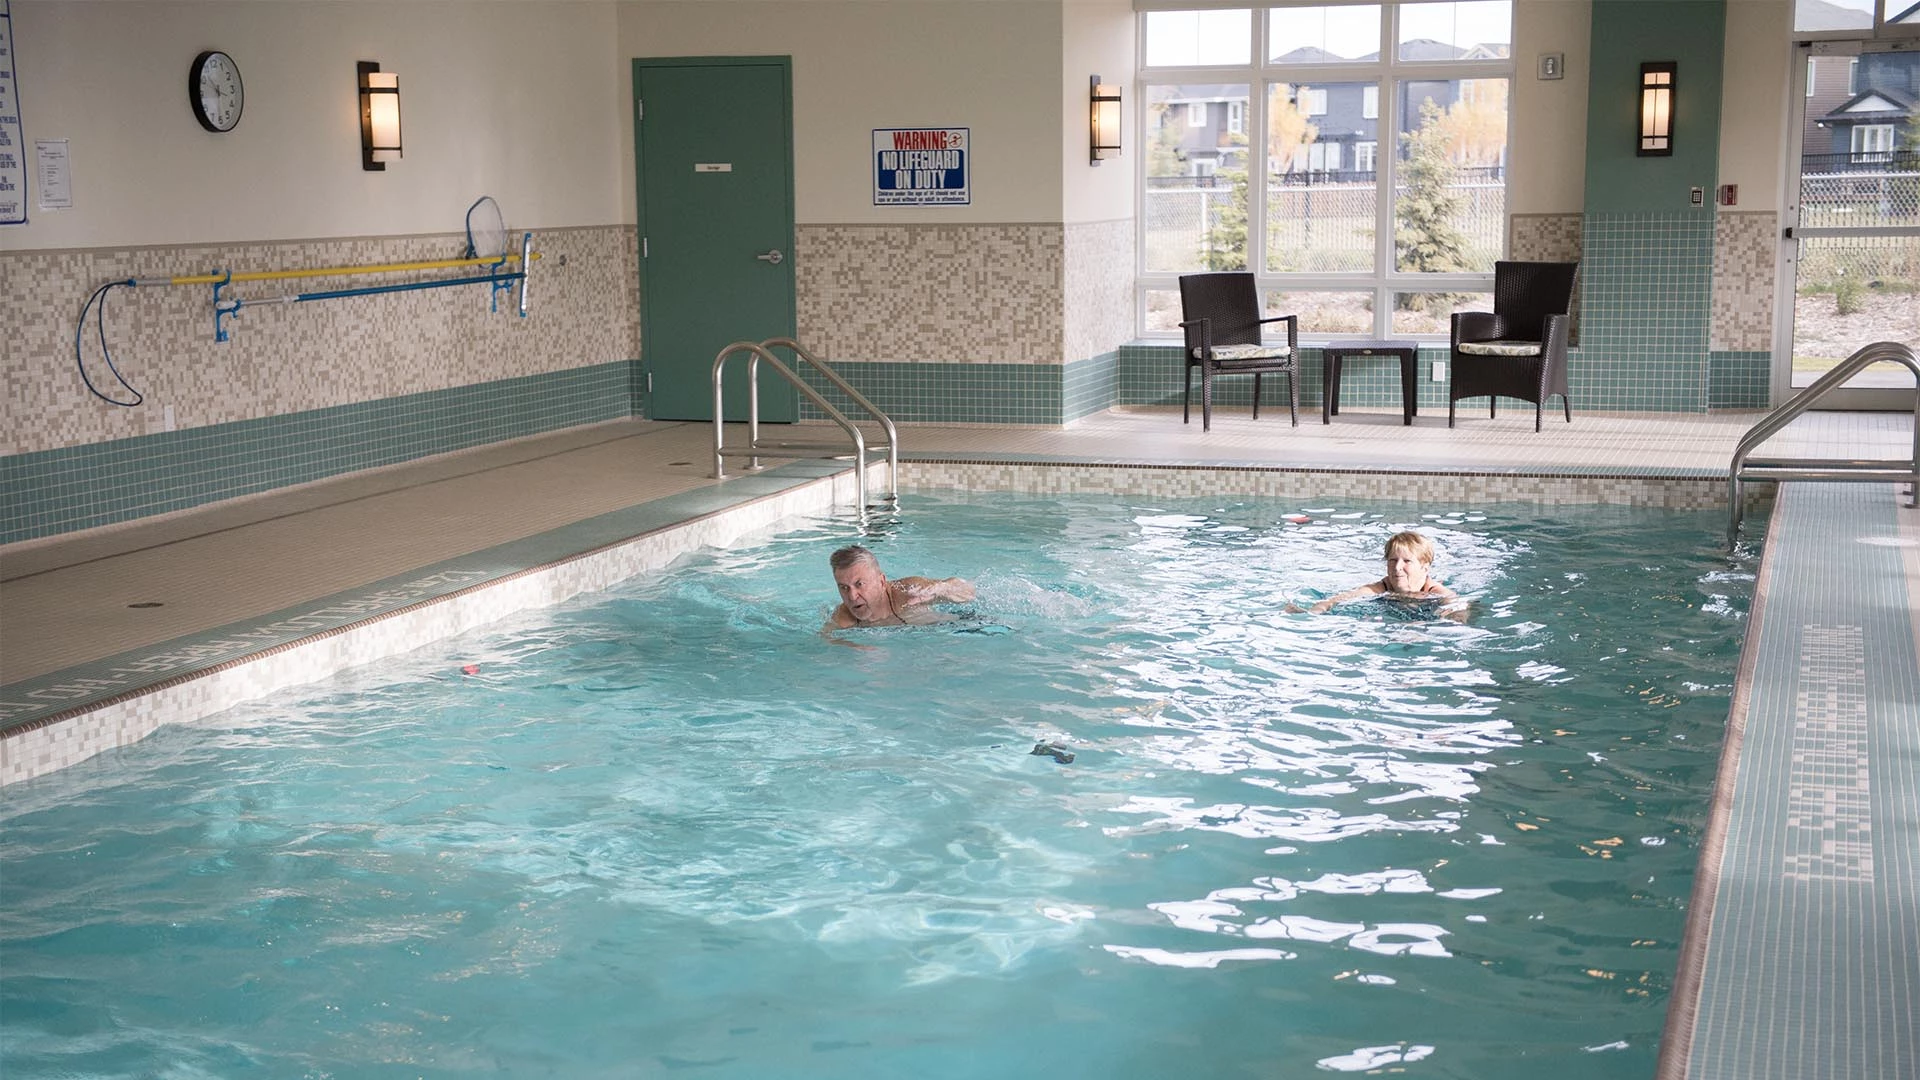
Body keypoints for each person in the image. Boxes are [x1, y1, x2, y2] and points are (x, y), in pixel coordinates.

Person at [1305, 530, 1465, 620]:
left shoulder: (1437, 592)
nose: (1397, 567)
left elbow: (1458, 610)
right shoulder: (1379, 588)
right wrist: (1312, 614)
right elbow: (1333, 601)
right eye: (1392, 560)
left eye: (1407, 561)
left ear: (1424, 567)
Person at [827, 544, 976, 629]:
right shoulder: (843, 617)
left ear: (881, 581)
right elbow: (826, 644)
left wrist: (941, 589)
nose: (852, 596)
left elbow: (969, 591)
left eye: (859, 584)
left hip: (961, 627)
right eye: (844, 587)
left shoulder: (907, 592)